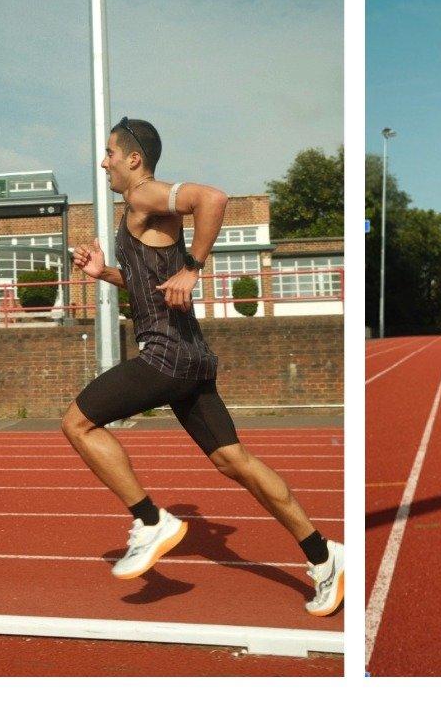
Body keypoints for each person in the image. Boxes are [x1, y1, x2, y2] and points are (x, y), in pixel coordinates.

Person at [61, 117, 344, 617]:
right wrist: (104, 272)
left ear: (133, 158)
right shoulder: (136, 212)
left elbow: (213, 198)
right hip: (190, 356)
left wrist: (193, 267)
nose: (102, 162)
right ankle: (324, 556)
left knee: (78, 423)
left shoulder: (147, 194)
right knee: (236, 462)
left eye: (109, 153)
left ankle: (151, 521)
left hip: (167, 355)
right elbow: (149, 283)